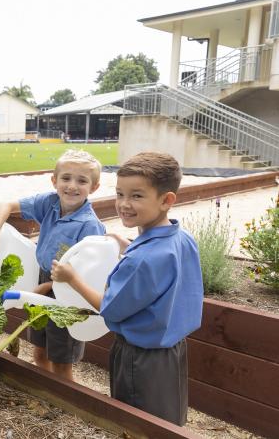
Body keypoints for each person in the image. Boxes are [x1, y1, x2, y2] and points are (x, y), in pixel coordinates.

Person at [51, 152, 203, 426]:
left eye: (136, 196)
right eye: (120, 194)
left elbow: (108, 308)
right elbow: (159, 262)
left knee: (134, 423)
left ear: (167, 200)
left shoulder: (140, 260)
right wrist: (129, 244)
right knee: (168, 420)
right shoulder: (182, 238)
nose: (124, 204)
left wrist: (71, 278)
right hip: (173, 351)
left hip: (139, 358)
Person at [0, 149, 105, 382]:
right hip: (42, 280)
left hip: (68, 296)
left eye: (82, 181)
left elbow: (87, 275)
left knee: (61, 361)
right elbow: (5, 205)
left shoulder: (90, 226)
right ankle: (48, 394)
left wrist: (47, 287)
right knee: (39, 351)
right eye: (66, 178)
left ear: (94, 187)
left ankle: (64, 405)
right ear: (54, 181)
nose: (72, 186)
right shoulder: (50, 203)